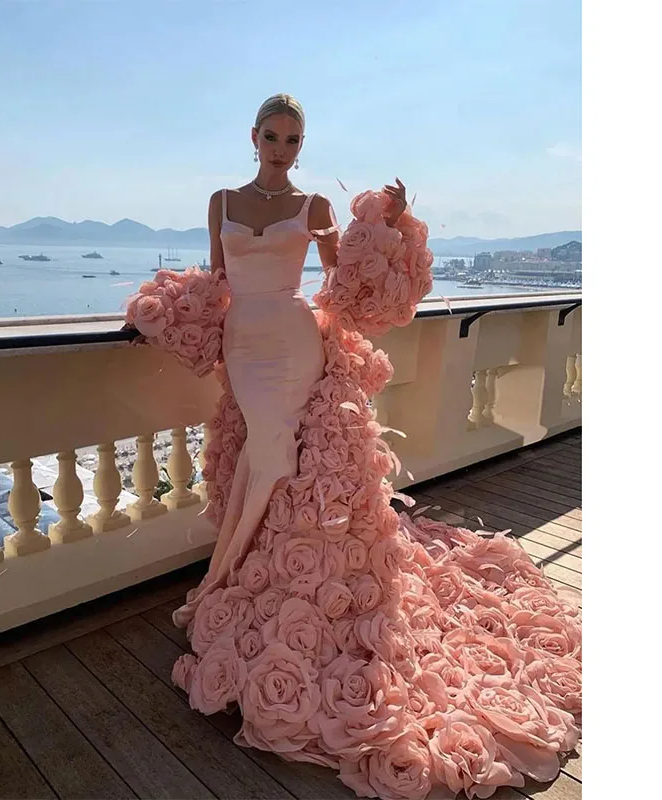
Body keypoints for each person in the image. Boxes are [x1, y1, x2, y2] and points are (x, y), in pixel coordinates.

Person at [126, 93, 581, 800]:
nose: (281, 148)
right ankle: (250, 570)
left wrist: (386, 224)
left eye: (292, 138)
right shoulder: (220, 201)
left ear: (300, 145)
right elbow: (216, 282)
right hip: (245, 345)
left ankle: (242, 575)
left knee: (278, 452)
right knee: (268, 451)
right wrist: (162, 315)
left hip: (295, 340)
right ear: (254, 137)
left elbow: (342, 284)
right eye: (272, 135)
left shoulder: (312, 206)